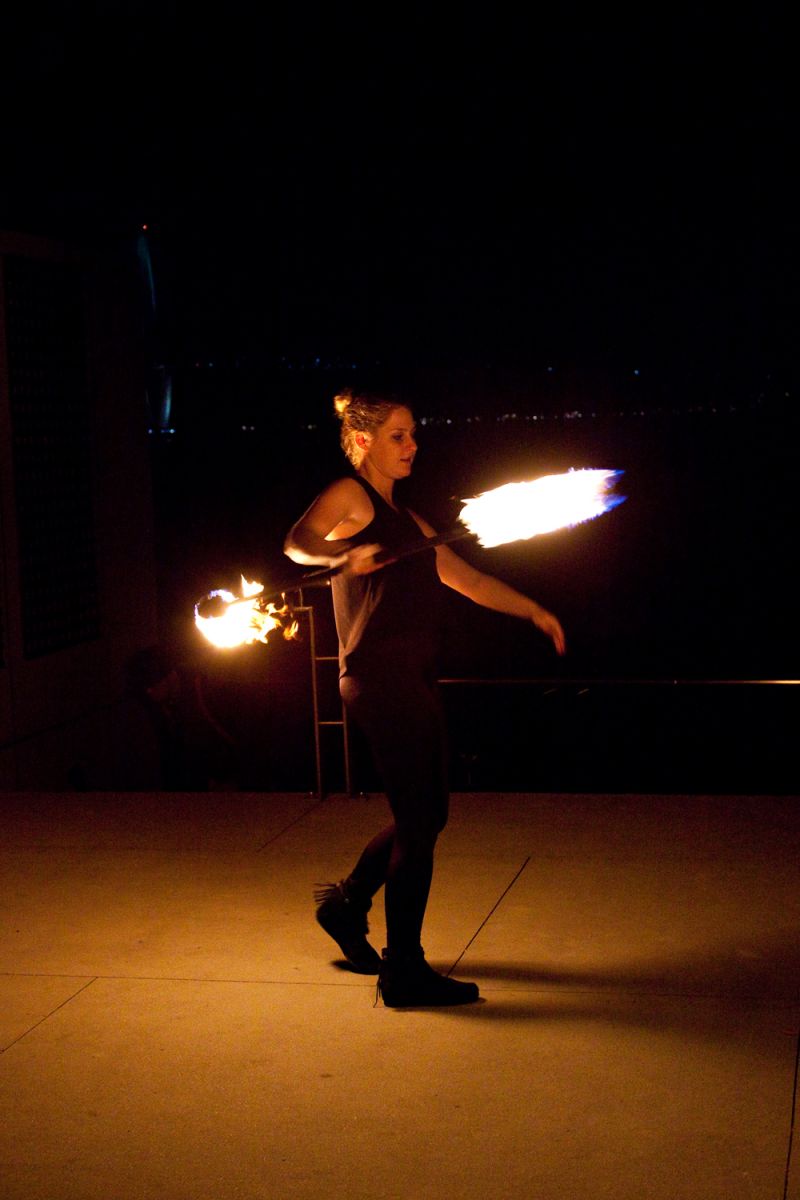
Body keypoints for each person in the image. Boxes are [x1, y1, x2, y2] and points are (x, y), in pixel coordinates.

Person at [284, 389, 565, 1006]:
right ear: (363, 442)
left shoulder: (412, 524)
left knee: (429, 814)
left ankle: (349, 903)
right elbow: (298, 541)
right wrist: (343, 553)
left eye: (413, 434)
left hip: (413, 677)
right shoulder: (351, 497)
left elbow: (465, 578)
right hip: (376, 678)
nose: (413, 445)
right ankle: (403, 969)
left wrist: (533, 610)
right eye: (398, 435)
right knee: (419, 819)